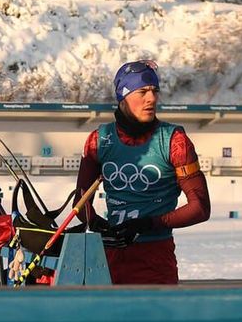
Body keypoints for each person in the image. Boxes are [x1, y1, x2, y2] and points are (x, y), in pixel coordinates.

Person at [76, 59, 210, 284]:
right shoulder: (98, 140)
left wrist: (149, 224)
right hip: (109, 261)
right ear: (123, 97)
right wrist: (97, 224)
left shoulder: (174, 141)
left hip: (155, 262)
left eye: (155, 91)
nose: (152, 99)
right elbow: (80, 202)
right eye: (142, 92)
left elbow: (200, 208)